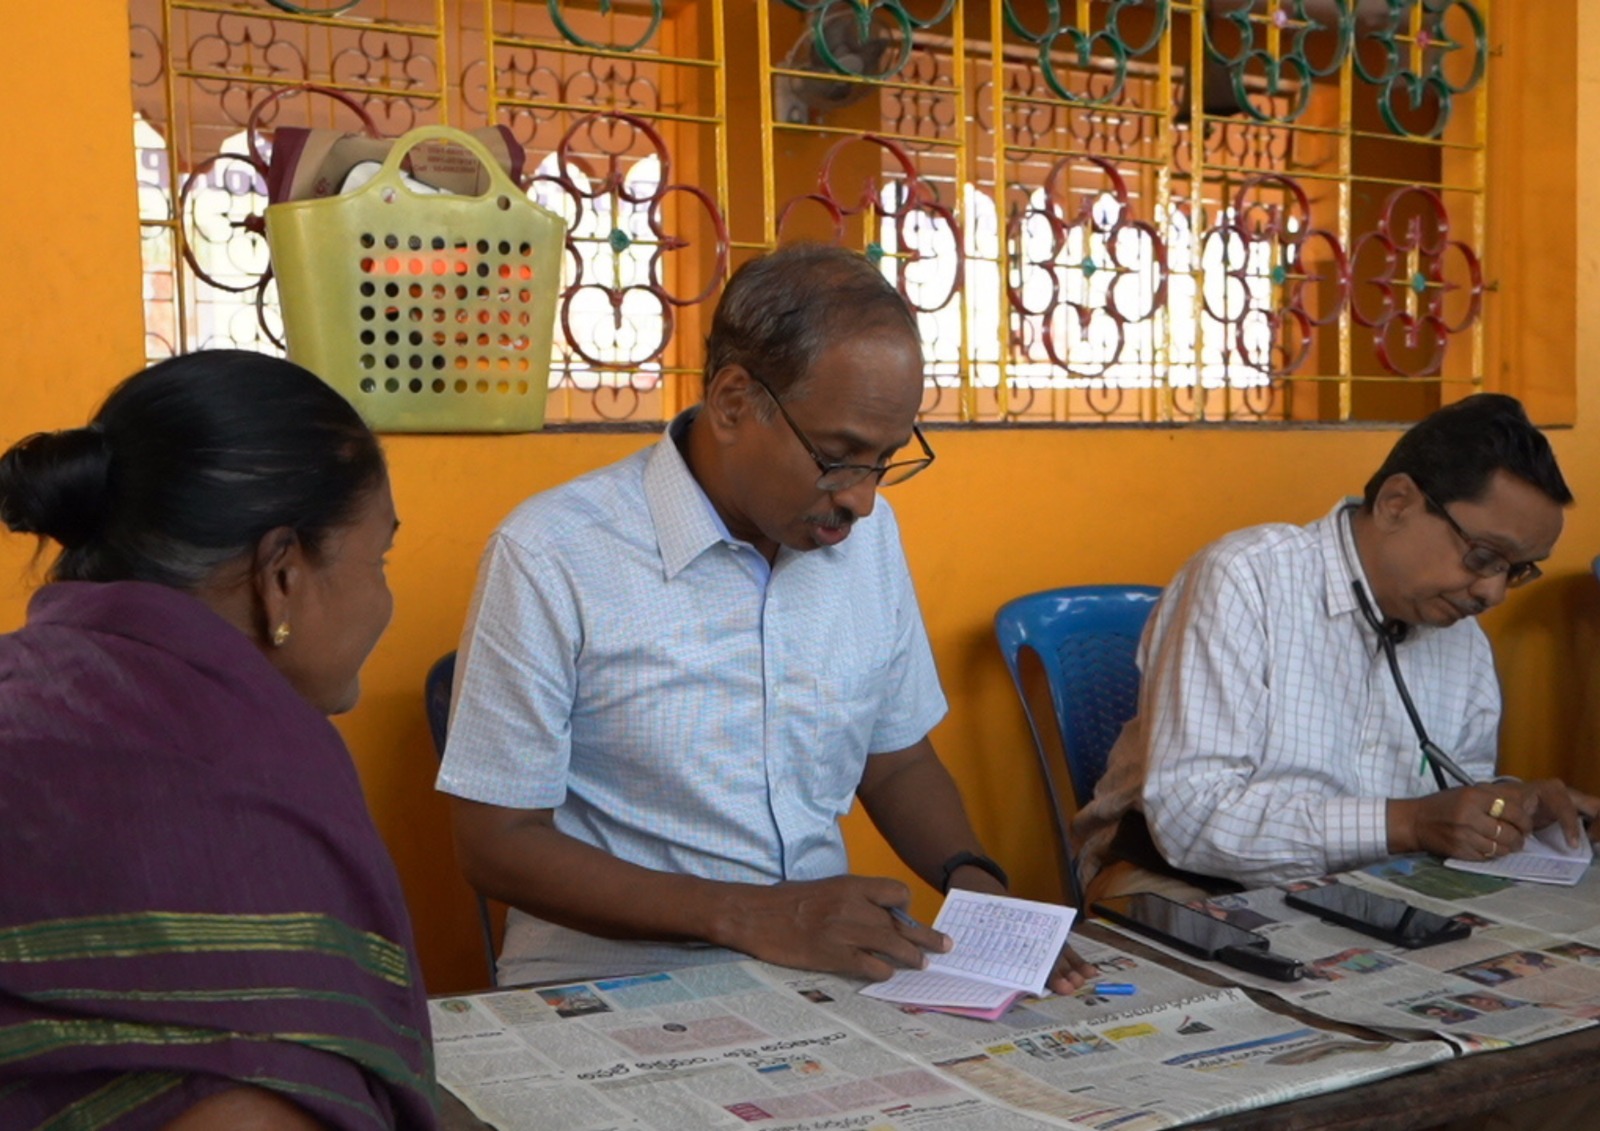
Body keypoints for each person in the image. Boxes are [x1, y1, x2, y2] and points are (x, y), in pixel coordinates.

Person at [438, 244, 1087, 990]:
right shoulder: (553, 552)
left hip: (820, 964)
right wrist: (752, 915)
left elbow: (897, 755)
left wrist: (975, 883)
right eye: (839, 455)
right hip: (608, 976)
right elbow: (496, 843)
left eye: (885, 458)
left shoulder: (869, 538)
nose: (862, 498)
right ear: (733, 401)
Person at [0, 351, 435, 1130]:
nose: (384, 595)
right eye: (380, 558)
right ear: (282, 576)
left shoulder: (25, 683)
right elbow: (250, 1098)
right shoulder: (249, 772)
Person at [1075, 393, 1600, 903]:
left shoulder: (1461, 637)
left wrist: (1510, 809)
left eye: (1518, 571)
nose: (1493, 592)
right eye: (1484, 557)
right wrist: (1408, 822)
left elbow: (1455, 793)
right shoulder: (1244, 579)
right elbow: (1192, 820)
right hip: (1178, 877)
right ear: (1397, 504)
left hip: (1366, 888)